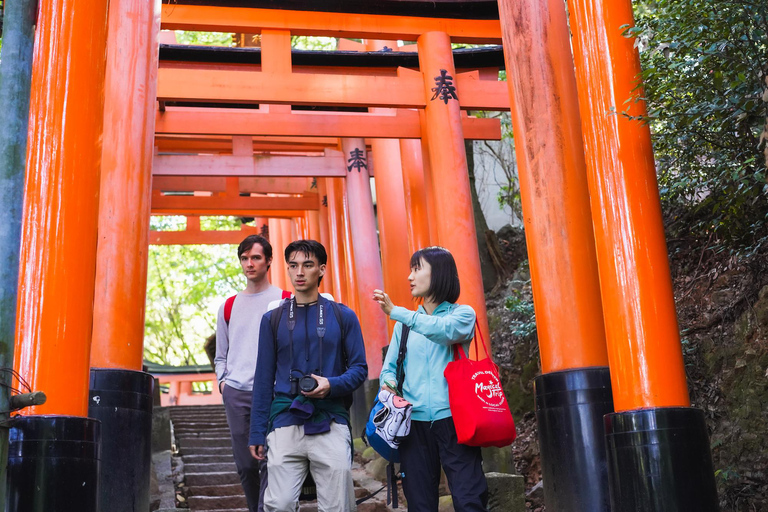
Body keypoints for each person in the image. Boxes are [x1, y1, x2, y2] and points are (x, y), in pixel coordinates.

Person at [249, 240, 368, 512]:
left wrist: (332, 385)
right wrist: (257, 431)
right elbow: (263, 379)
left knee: (338, 505)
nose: (299, 272)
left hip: (330, 419)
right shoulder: (273, 320)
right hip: (285, 420)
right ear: (287, 269)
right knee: (278, 504)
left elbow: (360, 369)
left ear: (321, 269)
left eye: (308, 265)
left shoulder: (343, 316)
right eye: (293, 265)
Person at [372, 246, 489, 512]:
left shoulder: (462, 315)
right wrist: (388, 385)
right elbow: (390, 368)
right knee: (420, 504)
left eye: (417, 269)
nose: (410, 277)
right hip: (413, 424)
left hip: (456, 421)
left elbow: (441, 331)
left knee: (469, 499)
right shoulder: (404, 325)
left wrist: (398, 312)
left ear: (439, 274)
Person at [215, 235, 285, 512]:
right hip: (237, 392)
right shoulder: (229, 306)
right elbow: (221, 353)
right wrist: (223, 383)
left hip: (274, 392)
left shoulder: (284, 301)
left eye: (255, 257)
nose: (249, 263)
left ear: (269, 261)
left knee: (272, 460)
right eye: (244, 258)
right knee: (245, 464)